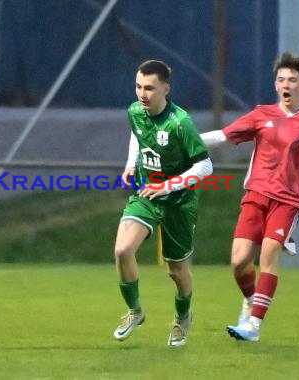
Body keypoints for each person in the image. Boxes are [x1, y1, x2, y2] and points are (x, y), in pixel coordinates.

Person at [200, 52, 299, 341]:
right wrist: (186, 140)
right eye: (281, 79)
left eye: (292, 79)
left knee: (268, 254)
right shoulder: (261, 114)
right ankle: (250, 298)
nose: (286, 84)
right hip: (256, 194)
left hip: (289, 200)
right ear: (275, 84)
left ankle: (253, 326)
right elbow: (225, 135)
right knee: (239, 262)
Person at [113, 60, 213, 347]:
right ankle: (135, 311)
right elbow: (137, 133)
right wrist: (131, 163)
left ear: (165, 89)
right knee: (122, 250)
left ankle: (182, 318)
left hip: (178, 202)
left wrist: (168, 185)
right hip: (146, 194)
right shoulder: (135, 111)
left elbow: (205, 166)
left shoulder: (180, 123)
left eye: (149, 88)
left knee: (176, 270)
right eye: (138, 87)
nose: (142, 94)